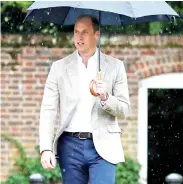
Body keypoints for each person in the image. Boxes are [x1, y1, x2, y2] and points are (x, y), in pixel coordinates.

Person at [39, 14, 130, 184]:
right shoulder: (59, 68)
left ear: (97, 35)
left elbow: (125, 109)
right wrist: (45, 148)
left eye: (85, 32)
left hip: (104, 145)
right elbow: (48, 110)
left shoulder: (115, 67)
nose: (79, 37)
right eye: (76, 32)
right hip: (70, 146)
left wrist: (106, 97)